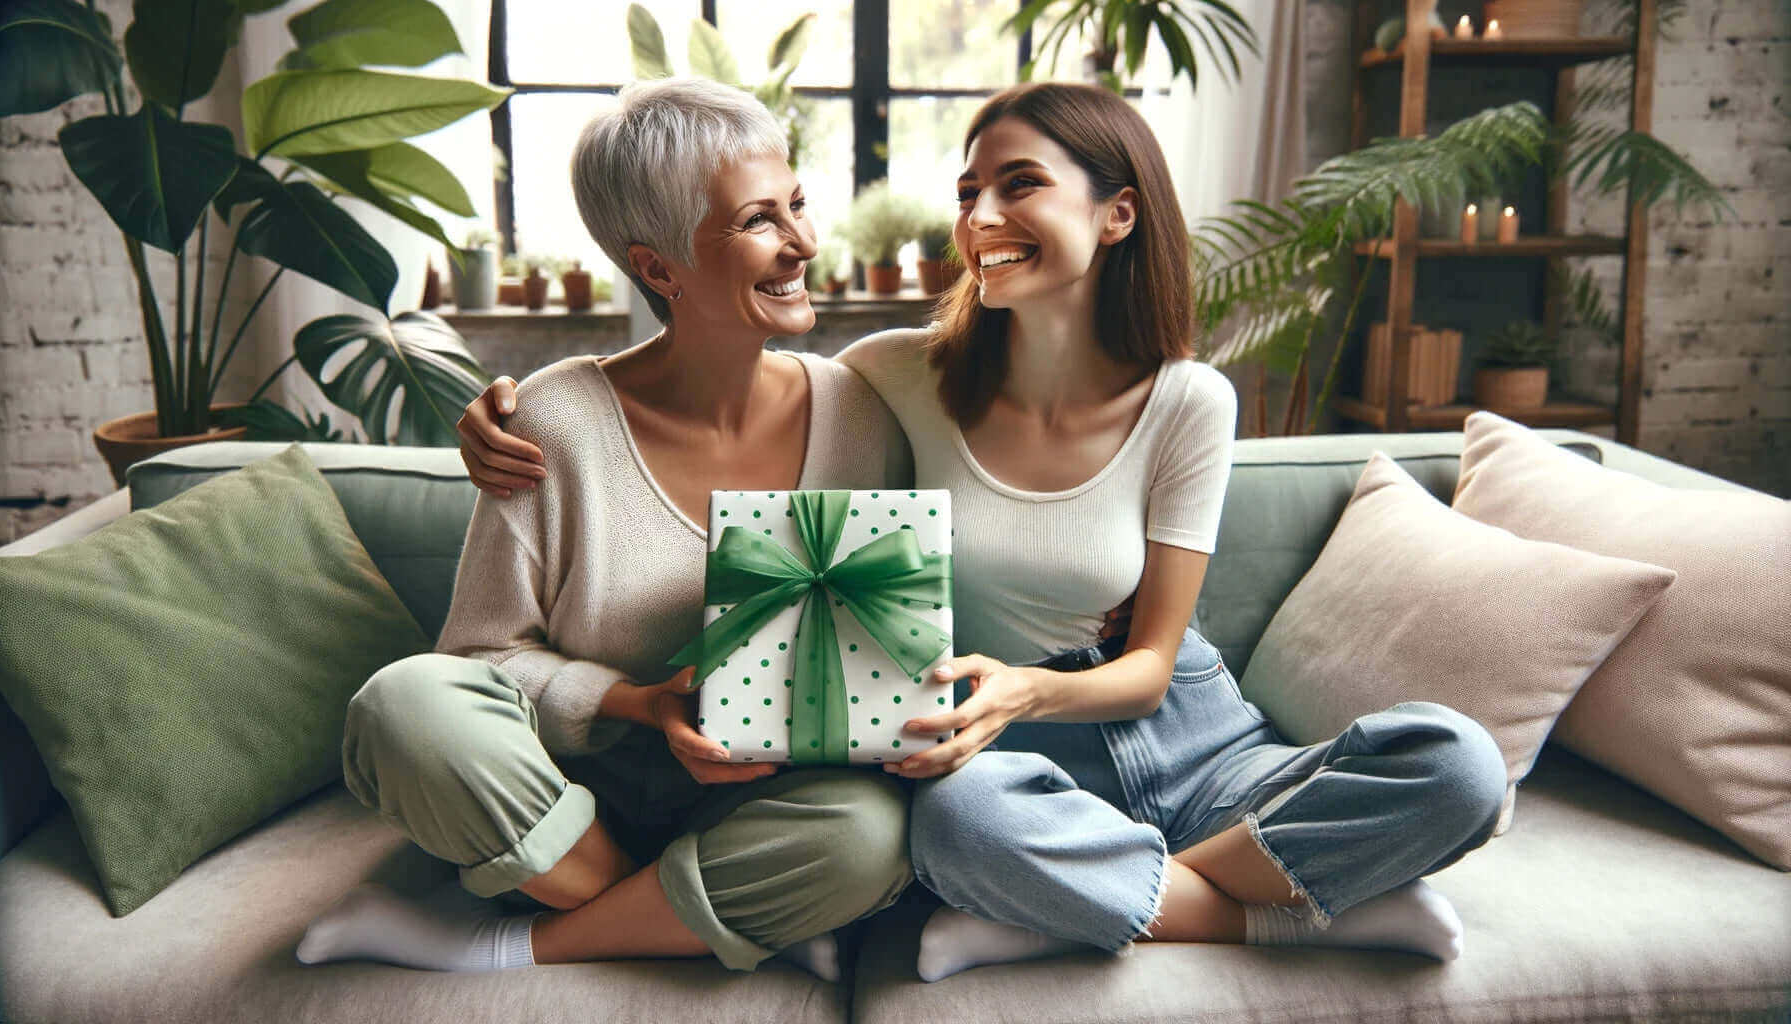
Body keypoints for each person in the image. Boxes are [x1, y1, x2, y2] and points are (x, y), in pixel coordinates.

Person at [458, 83, 1507, 982]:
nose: (979, 215)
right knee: (954, 829)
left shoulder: (1188, 400)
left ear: (1116, 216)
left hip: (1185, 737)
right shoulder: (887, 379)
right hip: (1005, 764)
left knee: (1460, 767)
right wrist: (497, 415)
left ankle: (1085, 902)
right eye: (967, 191)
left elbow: (1147, 665)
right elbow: (725, 384)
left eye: (1018, 185)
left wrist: (1031, 685)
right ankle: (1283, 910)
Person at [293, 77, 914, 979]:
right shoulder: (553, 421)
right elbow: (480, 661)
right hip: (572, 806)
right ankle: (691, 915)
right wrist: (643, 704)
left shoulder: (860, 412)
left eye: (799, 206)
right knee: (401, 706)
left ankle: (513, 942)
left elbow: (884, 641)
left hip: (759, 802)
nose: (805, 245)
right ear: (658, 269)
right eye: (757, 223)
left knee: (872, 836)